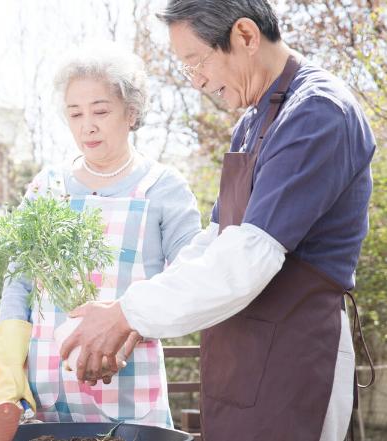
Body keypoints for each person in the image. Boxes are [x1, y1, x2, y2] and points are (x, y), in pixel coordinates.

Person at [60, 2, 376, 441]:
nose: (199, 81)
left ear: (245, 36)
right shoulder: (253, 121)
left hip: (295, 358)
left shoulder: (316, 113)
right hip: (240, 358)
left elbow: (246, 259)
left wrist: (126, 315)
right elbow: (213, 241)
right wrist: (130, 311)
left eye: (196, 62)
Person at [0, 43, 202, 429]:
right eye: (75, 113)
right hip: (46, 389)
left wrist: (129, 331)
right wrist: (8, 370)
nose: (88, 125)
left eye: (101, 111)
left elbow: (189, 280)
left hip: (129, 381)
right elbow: (17, 282)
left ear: (131, 112)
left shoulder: (163, 188)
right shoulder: (46, 188)